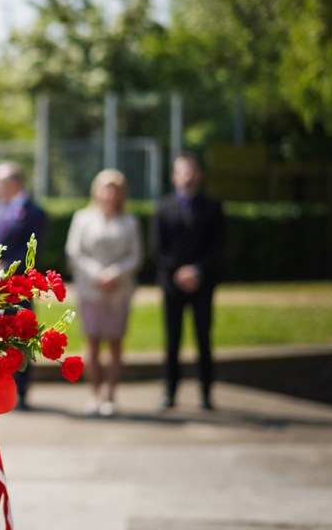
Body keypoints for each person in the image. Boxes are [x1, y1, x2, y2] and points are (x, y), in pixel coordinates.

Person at [152, 152, 226, 411]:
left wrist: (197, 270)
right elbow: (157, 248)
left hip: (202, 284)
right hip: (172, 285)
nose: (188, 176)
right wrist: (179, 272)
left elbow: (218, 245)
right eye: (183, 171)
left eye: (192, 171)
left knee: (203, 339)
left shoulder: (213, 207)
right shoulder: (163, 208)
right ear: (174, 176)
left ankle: (206, 393)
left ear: (200, 175)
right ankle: (170, 392)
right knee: (172, 340)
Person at [65, 169, 142, 416]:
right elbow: (74, 252)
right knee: (93, 341)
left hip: (119, 291)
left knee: (116, 341)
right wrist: (97, 273)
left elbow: (135, 255)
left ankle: (111, 394)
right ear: (96, 191)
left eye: (114, 189)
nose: (109, 194)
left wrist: (115, 274)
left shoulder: (129, 222)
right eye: (105, 188)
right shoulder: (83, 218)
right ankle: (94, 394)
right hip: (91, 289)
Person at [0, 160, 47, 409]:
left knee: (20, 336)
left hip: (18, 286)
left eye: (0, 181)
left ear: (15, 182)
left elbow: (32, 249)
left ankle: (21, 392)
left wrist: (7, 268)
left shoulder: (34, 212)